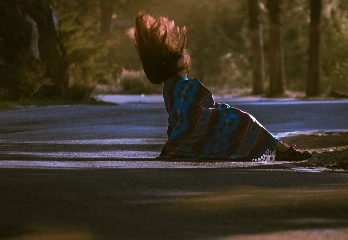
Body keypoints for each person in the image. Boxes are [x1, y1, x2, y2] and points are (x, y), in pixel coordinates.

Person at [133, 13, 312, 161]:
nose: (183, 55)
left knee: (242, 118)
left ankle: (280, 149)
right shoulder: (182, 85)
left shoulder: (172, 85)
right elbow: (201, 104)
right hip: (198, 127)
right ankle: (281, 149)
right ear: (172, 64)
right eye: (178, 56)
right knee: (246, 120)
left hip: (193, 127)